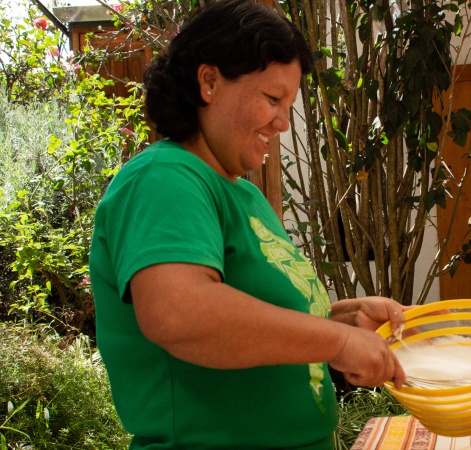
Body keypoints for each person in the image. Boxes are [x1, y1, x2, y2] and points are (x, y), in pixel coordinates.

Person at [88, 1, 407, 448]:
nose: (282, 122)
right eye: (272, 99)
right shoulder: (164, 178)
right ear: (209, 82)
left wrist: (341, 318)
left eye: (289, 104)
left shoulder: (244, 194)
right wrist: (334, 341)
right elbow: (180, 313)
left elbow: (256, 318)